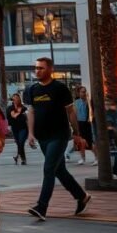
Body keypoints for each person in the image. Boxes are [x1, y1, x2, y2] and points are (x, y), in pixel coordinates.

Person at [24, 57, 93, 220]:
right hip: (42, 137)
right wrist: (30, 133)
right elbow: (31, 112)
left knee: (48, 169)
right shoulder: (32, 90)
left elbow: (71, 112)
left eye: (41, 68)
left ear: (50, 69)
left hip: (59, 135)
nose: (37, 71)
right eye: (36, 68)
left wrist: (76, 133)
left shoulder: (60, 88)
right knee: (59, 170)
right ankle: (81, 196)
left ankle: (42, 207)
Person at [73, 86, 96, 166]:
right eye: (82, 92)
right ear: (78, 93)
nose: (84, 93)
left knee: (89, 142)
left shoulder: (89, 102)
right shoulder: (76, 102)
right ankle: (83, 158)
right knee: (80, 142)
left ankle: (97, 158)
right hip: (79, 123)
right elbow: (75, 114)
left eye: (85, 91)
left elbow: (91, 113)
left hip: (87, 124)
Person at [7, 93, 28, 165]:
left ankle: (20, 157)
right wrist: (20, 112)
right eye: (14, 98)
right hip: (15, 128)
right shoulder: (10, 108)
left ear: (19, 99)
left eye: (17, 98)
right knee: (19, 143)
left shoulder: (24, 108)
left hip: (24, 128)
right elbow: (14, 116)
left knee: (21, 142)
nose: (16, 99)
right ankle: (22, 158)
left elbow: (27, 117)